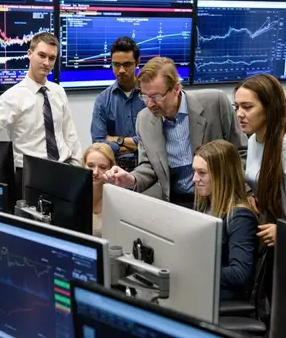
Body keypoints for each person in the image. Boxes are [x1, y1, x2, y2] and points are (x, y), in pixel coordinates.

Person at [103, 56, 247, 208]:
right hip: (176, 202)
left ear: (176, 88)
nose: (150, 104)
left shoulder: (215, 103)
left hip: (219, 200)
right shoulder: (144, 120)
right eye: (144, 96)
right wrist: (131, 179)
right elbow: (149, 165)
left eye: (156, 96)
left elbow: (242, 152)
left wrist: (246, 193)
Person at [0, 32, 82, 199]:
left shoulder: (58, 92)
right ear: (29, 54)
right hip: (30, 177)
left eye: (51, 58)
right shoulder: (13, 96)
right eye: (42, 55)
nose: (46, 63)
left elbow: (70, 134)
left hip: (62, 171)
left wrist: (77, 168)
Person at [234, 73, 286, 303]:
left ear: (269, 108)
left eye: (247, 107)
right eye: (236, 106)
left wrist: (283, 232)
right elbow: (257, 178)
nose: (239, 114)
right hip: (271, 232)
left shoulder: (284, 145)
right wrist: (255, 195)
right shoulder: (255, 138)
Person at [193, 140, 258, 301]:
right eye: (194, 171)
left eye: (202, 173)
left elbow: (239, 274)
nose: (194, 179)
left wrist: (193, 268)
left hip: (220, 296)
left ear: (221, 176)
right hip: (203, 288)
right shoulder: (206, 204)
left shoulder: (240, 217)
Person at [91, 37, 145, 171]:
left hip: (147, 166)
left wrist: (116, 140)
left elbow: (153, 141)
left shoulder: (149, 96)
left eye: (127, 64)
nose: (121, 70)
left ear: (137, 62)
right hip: (115, 169)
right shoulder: (103, 99)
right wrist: (134, 144)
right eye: (116, 64)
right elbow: (98, 143)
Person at [82, 143, 116, 237]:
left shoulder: (115, 200)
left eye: (102, 167)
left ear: (111, 169)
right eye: (90, 165)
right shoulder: (74, 194)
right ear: (83, 165)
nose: (95, 172)